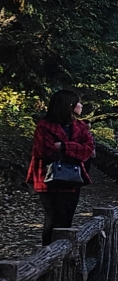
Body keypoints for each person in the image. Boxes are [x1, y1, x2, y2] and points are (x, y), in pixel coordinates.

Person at [26, 89, 95, 245]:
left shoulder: (80, 127)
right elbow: (43, 150)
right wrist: (74, 149)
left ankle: (62, 253)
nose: (81, 106)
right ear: (70, 105)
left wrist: (64, 147)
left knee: (67, 216)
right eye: (79, 103)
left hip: (72, 177)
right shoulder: (44, 126)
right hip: (47, 177)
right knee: (52, 216)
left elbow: (88, 150)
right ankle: (47, 253)